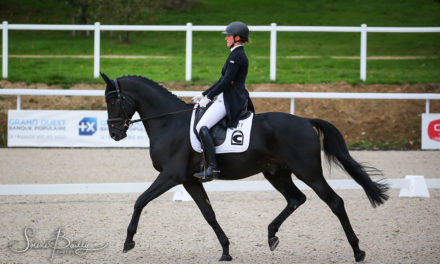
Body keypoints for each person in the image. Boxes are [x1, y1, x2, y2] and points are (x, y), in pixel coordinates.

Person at [192, 21, 255, 180]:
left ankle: (213, 169)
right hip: (226, 95)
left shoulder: (238, 55)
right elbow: (222, 80)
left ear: (237, 37)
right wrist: (205, 94)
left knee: (201, 126)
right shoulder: (234, 53)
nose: (226, 38)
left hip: (231, 98)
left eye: (228, 35)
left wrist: (209, 97)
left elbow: (227, 82)